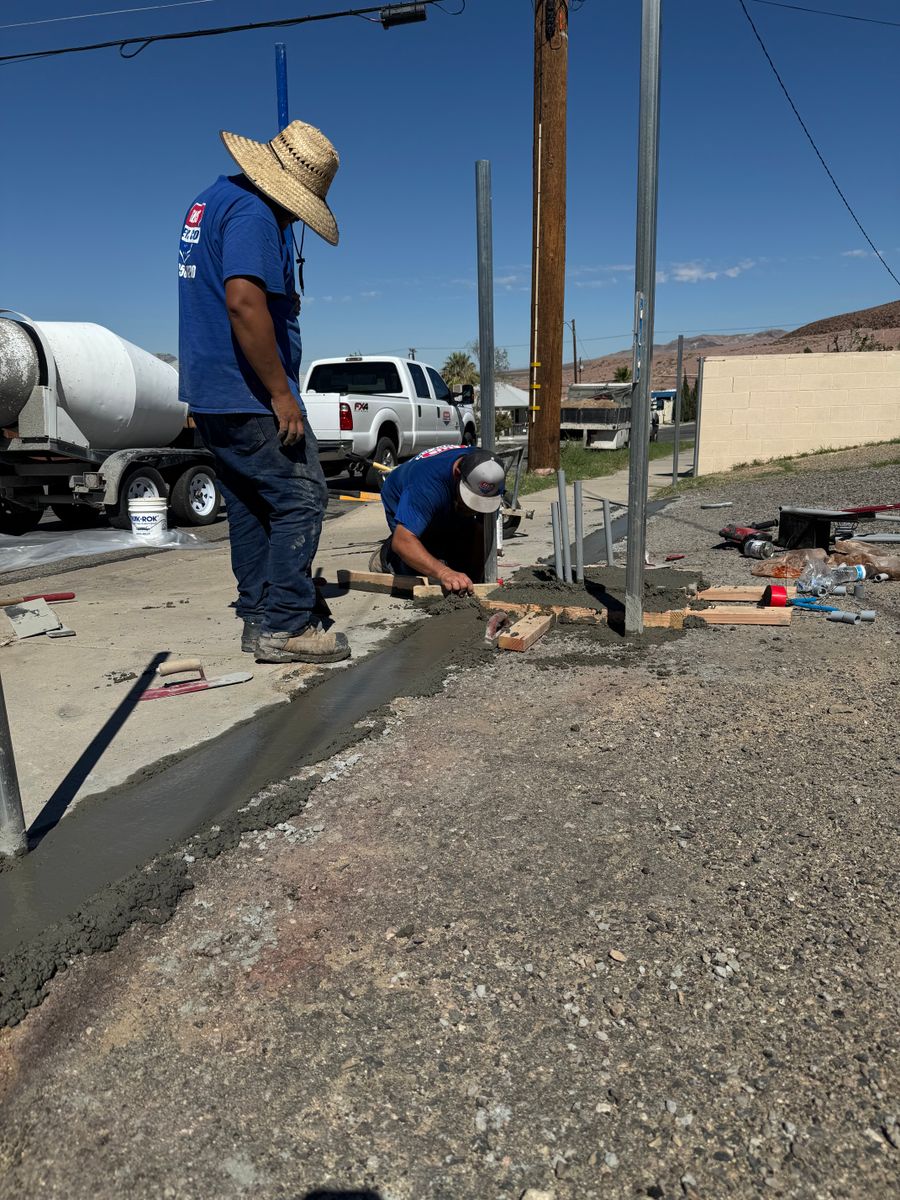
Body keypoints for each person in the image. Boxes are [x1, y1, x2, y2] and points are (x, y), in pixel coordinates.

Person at [177, 119, 349, 664]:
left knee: (250, 505)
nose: (296, 215)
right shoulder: (253, 213)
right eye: (299, 205)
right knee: (303, 498)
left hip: (211, 392)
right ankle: (286, 625)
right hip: (248, 392)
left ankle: (258, 618)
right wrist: (281, 392)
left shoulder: (212, 200)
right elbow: (242, 303)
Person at [373, 446, 506, 593]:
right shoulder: (425, 486)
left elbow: (483, 529)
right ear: (457, 474)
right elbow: (403, 541)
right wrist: (444, 573)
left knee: (461, 568)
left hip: (444, 497)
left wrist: (476, 578)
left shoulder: (491, 475)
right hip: (405, 493)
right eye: (470, 499)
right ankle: (387, 557)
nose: (473, 509)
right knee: (428, 573)